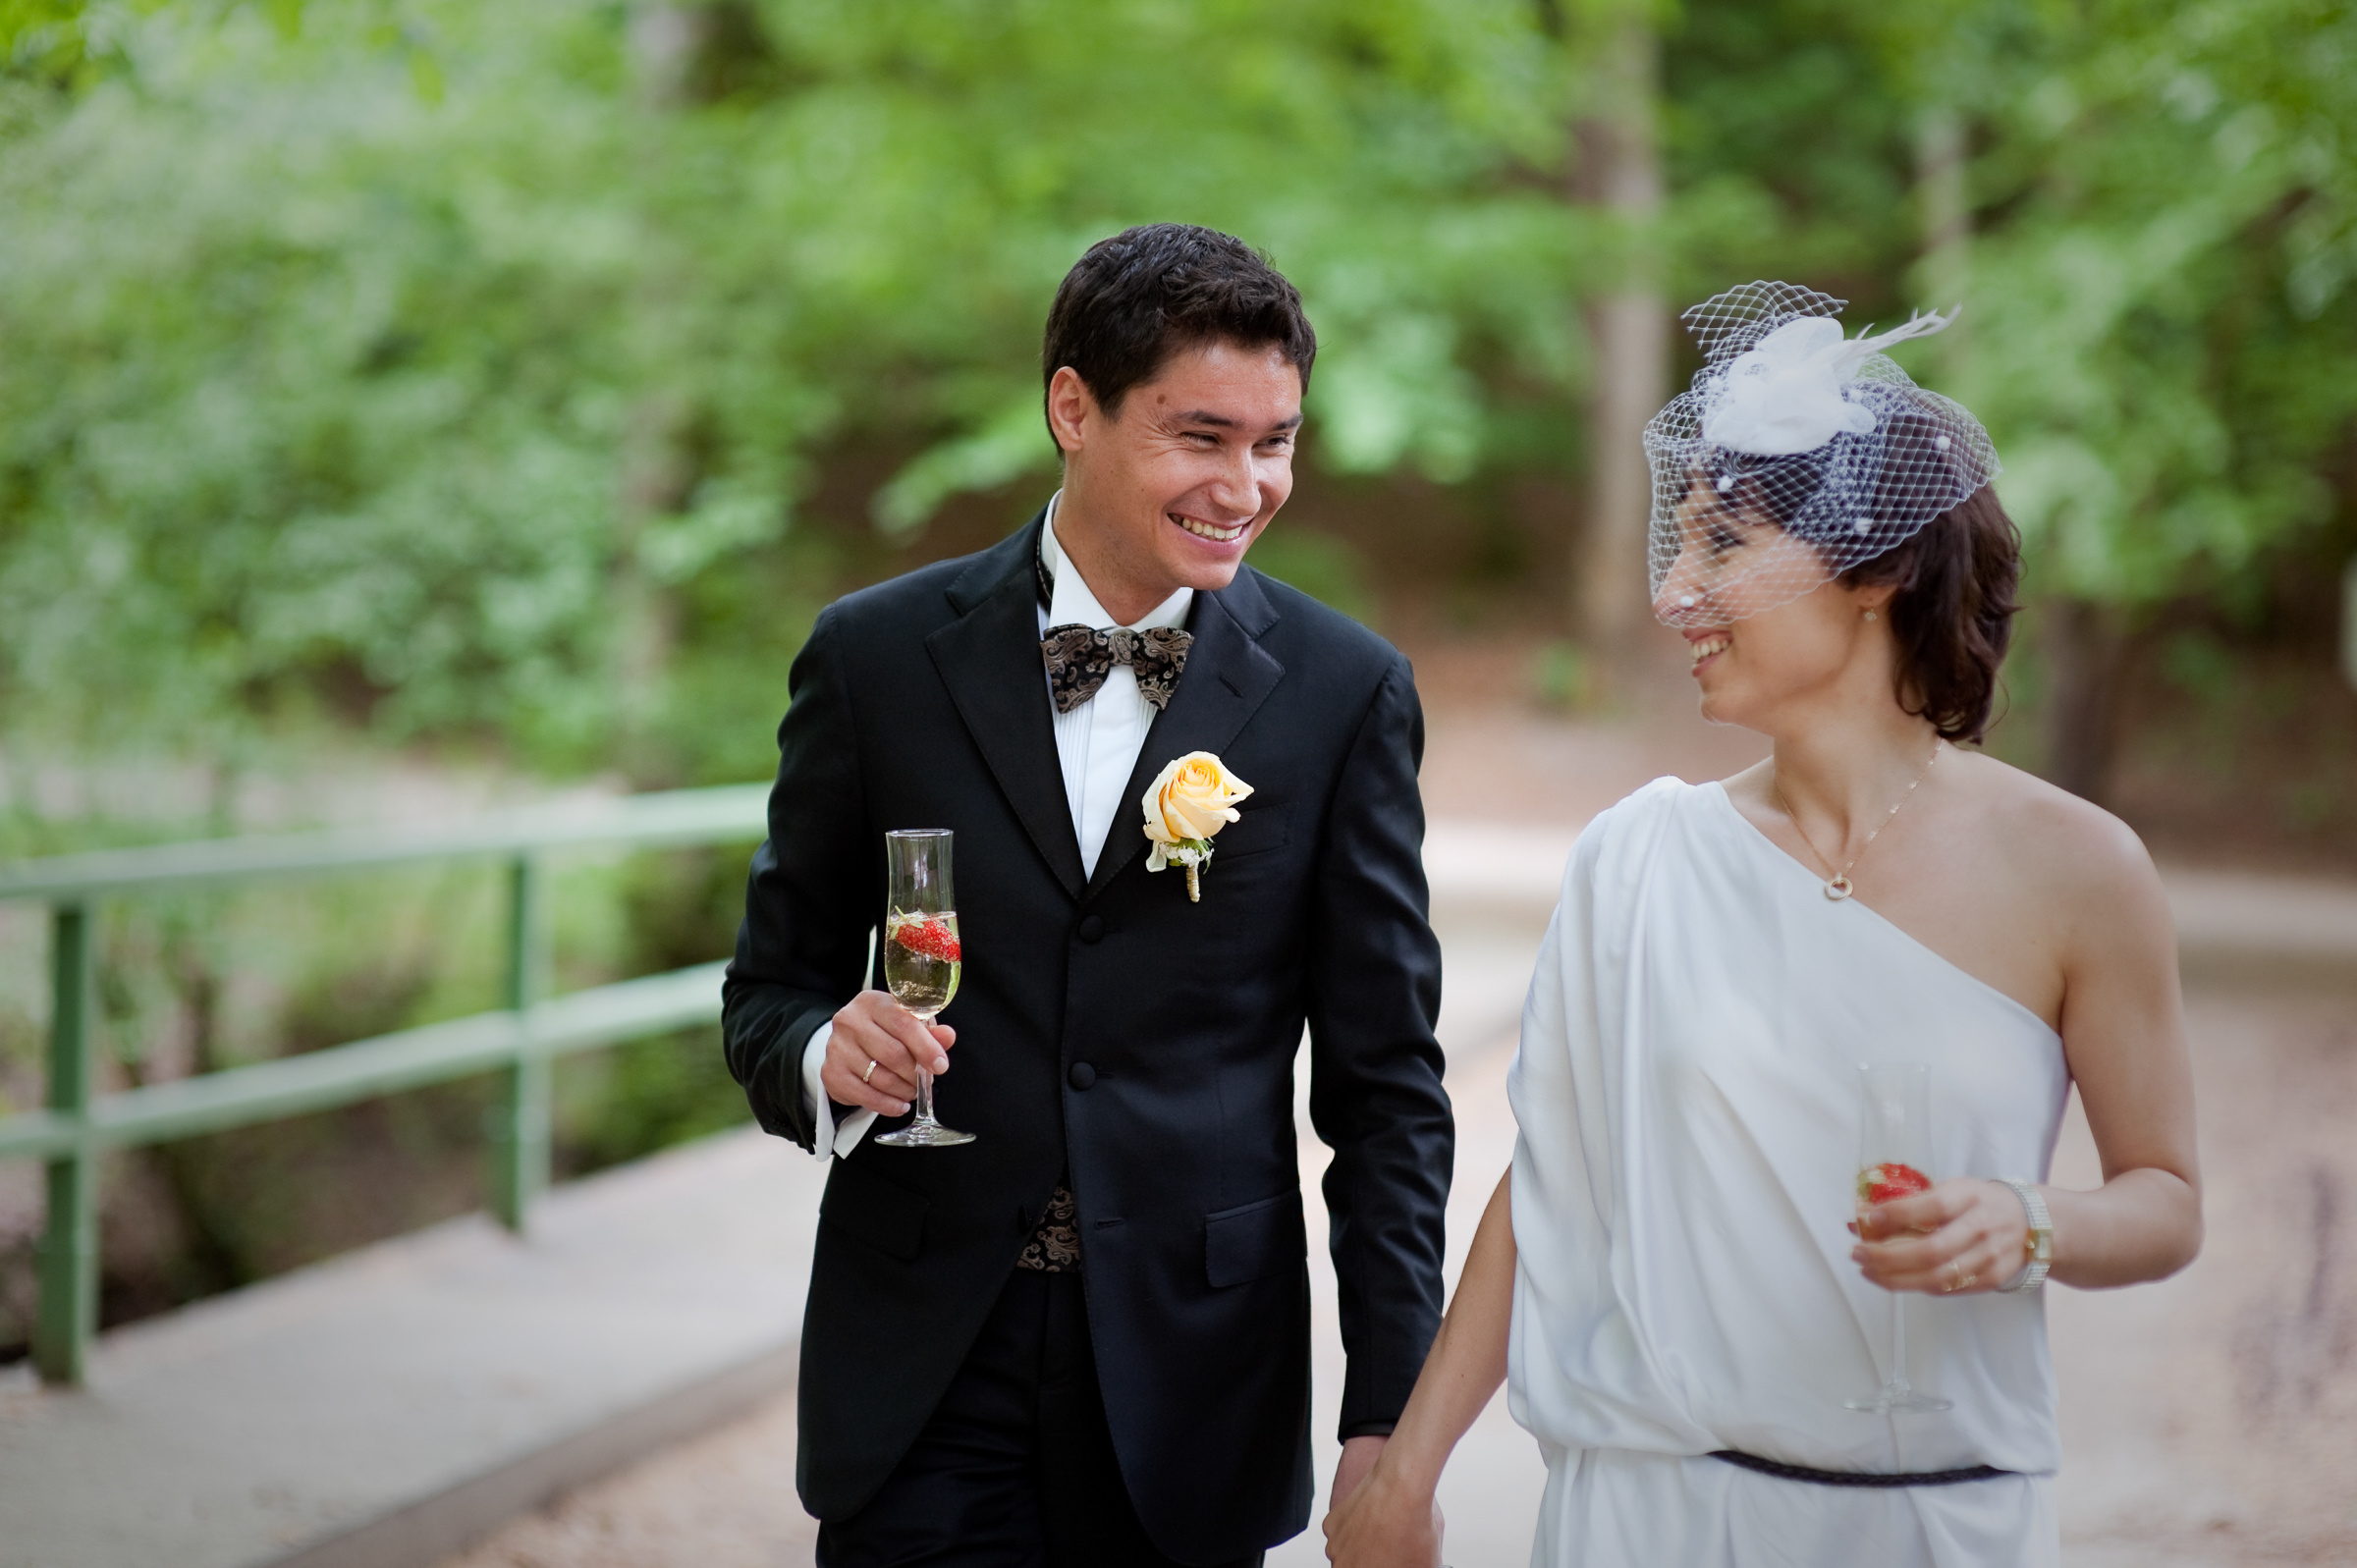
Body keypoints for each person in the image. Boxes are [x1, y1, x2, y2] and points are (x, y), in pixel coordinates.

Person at [1323, 281, 2202, 1568]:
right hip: (1648, 1518)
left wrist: (2028, 1222)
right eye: (1677, 546)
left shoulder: (2081, 868)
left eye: (1722, 547)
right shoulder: (1638, 857)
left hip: (1942, 1523)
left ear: (1879, 569)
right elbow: (1553, 1182)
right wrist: (1407, 1473)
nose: (1674, 592)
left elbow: (2166, 1202)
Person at [722, 223, 1454, 1567]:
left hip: (1198, 1381)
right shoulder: (873, 659)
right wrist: (827, 1050)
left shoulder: (1348, 693)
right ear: (1073, 408)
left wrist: (1388, 1415)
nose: (1245, 486)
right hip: (923, 1369)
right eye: (1201, 437)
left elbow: (1386, 1089)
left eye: (1275, 442)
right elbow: (767, 993)